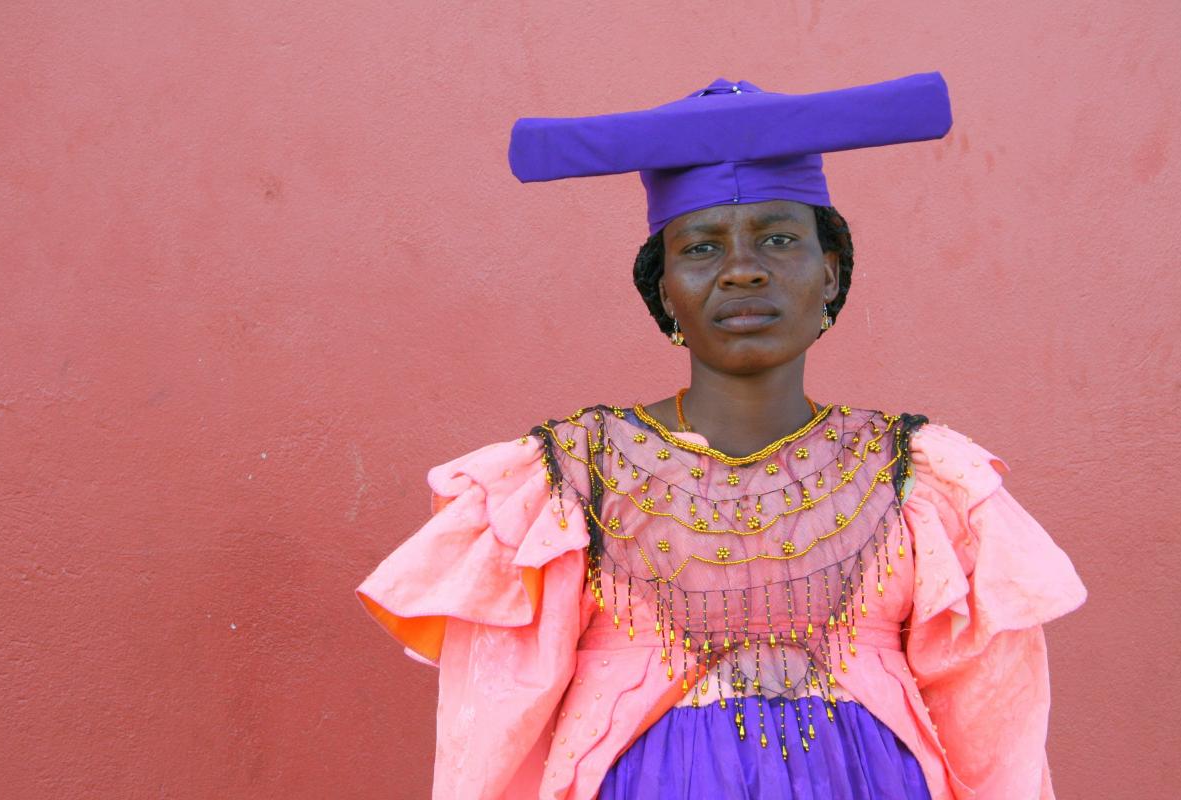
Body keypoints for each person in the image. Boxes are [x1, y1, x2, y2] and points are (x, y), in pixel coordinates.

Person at [356, 72, 1087, 800]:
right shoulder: (570, 479)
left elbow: (998, 734)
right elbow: (489, 737)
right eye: (702, 248)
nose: (741, 270)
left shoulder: (924, 480)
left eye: (777, 238)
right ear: (664, 287)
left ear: (829, 274)